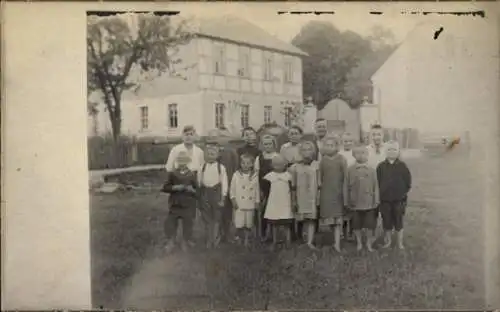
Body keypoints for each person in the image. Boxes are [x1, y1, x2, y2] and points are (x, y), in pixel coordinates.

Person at [344, 145, 380, 252]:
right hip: (355, 202)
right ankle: (359, 242)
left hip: (369, 202)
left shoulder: (372, 170)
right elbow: (345, 186)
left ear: (368, 155)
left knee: (369, 224)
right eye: (358, 153)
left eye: (363, 152)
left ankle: (368, 243)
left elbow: (376, 186)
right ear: (353, 155)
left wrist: (376, 200)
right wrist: (346, 200)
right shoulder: (350, 170)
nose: (361, 155)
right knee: (356, 224)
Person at [377, 141, 412, 249]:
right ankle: (387, 242)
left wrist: (402, 193)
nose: (392, 152)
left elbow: (408, 181)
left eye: (394, 149)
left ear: (398, 152)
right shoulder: (381, 166)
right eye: (389, 149)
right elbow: (377, 181)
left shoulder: (402, 166)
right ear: (385, 151)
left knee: (398, 221)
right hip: (385, 200)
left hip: (399, 200)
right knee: (386, 221)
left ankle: (399, 242)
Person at [161, 151, 198, 253]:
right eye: (180, 161)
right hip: (175, 204)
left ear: (188, 162)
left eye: (184, 161)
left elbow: (198, 191)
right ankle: (171, 241)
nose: (182, 163)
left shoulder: (191, 174)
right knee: (171, 223)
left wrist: (192, 190)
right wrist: (174, 187)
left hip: (187, 204)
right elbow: (165, 187)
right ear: (177, 162)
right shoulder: (173, 174)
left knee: (188, 223)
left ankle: (185, 241)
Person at [208, 128, 239, 244]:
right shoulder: (211, 151)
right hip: (215, 186)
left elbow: (236, 168)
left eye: (224, 137)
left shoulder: (232, 152)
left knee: (227, 212)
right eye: (218, 137)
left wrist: (233, 185)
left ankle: (228, 234)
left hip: (229, 185)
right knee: (216, 212)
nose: (221, 139)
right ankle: (217, 234)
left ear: (228, 139)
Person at [319, 135, 348, 252]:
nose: (329, 147)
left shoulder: (341, 159)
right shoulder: (323, 160)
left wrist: (344, 191)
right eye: (327, 145)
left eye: (332, 145)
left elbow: (346, 176)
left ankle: (337, 243)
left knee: (337, 219)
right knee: (330, 219)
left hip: (338, 192)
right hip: (326, 193)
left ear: (336, 147)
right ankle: (334, 240)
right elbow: (321, 177)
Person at [289, 140, 320, 250]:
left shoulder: (317, 165)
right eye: (304, 150)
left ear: (313, 151)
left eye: (309, 149)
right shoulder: (295, 167)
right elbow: (293, 185)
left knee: (311, 220)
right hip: (300, 196)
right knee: (301, 219)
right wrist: (293, 200)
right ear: (300, 152)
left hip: (312, 196)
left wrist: (318, 197)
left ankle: (310, 241)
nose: (307, 152)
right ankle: (302, 239)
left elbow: (319, 184)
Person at [198, 142, 228, 249]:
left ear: (217, 155)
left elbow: (224, 184)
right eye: (208, 153)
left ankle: (215, 239)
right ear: (205, 155)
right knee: (207, 218)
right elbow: (199, 183)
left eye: (213, 153)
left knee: (216, 218)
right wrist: (200, 198)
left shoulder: (221, 168)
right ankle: (208, 239)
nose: (210, 155)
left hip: (217, 194)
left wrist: (223, 198)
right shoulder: (202, 167)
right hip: (206, 193)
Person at [263, 154, 294, 250]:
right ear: (272, 165)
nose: (278, 167)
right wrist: (264, 199)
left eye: (280, 165)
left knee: (286, 224)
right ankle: (275, 241)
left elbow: (292, 189)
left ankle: (287, 242)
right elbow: (265, 190)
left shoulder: (288, 176)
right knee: (274, 224)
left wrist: (293, 201)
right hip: (273, 203)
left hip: (285, 203)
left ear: (285, 165)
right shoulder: (269, 176)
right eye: (275, 165)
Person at [230, 153, 260, 247]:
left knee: (248, 223)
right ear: (240, 164)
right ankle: (239, 238)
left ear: (252, 164)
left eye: (248, 163)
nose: (245, 165)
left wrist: (257, 202)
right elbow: (232, 189)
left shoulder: (254, 176)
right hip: (239, 202)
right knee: (239, 223)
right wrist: (233, 199)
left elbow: (257, 190)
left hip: (250, 203)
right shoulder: (236, 175)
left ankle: (247, 239)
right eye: (243, 163)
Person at [255, 134, 279, 241]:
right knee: (264, 211)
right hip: (263, 187)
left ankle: (275, 234)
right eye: (265, 144)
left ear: (274, 145)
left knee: (275, 211)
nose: (267, 146)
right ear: (262, 145)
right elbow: (256, 174)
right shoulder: (259, 158)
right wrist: (259, 189)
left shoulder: (277, 157)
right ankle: (263, 234)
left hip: (275, 187)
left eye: (270, 144)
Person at [339, 132, 356, 240]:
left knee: (352, 209)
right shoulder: (340, 154)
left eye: (350, 141)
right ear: (342, 142)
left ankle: (352, 232)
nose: (348, 143)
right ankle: (342, 232)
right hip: (341, 184)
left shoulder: (355, 154)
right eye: (345, 141)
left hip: (353, 184)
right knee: (343, 209)